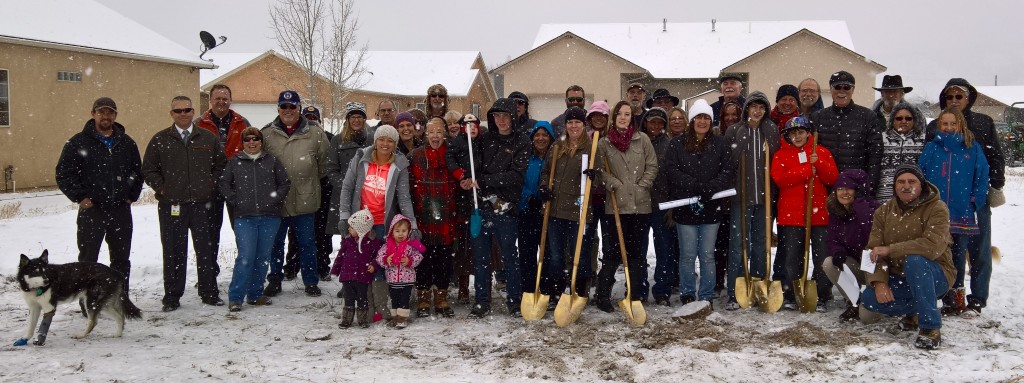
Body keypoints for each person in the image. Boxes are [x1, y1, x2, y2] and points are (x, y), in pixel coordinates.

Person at [925, 78, 1004, 315]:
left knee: (979, 250)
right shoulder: (934, 128)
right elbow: (928, 164)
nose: (954, 101)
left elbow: (993, 157)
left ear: (969, 98)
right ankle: (952, 294)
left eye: (959, 96)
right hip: (945, 200)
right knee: (951, 249)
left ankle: (978, 297)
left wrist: (988, 190)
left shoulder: (983, 122)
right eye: (949, 97)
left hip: (973, 198)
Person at [142, 95, 227, 312]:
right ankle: (172, 296)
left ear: (192, 112)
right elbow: (149, 169)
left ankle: (209, 292)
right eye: (178, 111)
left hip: (203, 205)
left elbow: (220, 165)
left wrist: (210, 184)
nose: (183, 114)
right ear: (171, 114)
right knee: (173, 251)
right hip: (173, 205)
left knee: (206, 251)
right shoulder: (160, 139)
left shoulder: (208, 138)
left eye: (187, 110)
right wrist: (163, 188)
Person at [860, 164, 955, 350]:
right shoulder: (883, 211)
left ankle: (930, 328)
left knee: (915, 261)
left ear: (921, 185)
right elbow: (872, 251)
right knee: (869, 298)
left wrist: (891, 249)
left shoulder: (937, 208)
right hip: (899, 276)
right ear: (895, 186)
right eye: (901, 182)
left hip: (936, 273)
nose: (906, 185)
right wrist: (879, 282)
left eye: (912, 181)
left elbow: (932, 247)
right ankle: (916, 309)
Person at [55, 97, 142, 294]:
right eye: (101, 111)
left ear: (115, 116)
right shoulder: (78, 142)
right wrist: (80, 197)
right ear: (93, 113)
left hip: (120, 210)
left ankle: (119, 298)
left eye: (110, 112)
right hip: (92, 210)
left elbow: (137, 172)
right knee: (88, 260)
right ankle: (88, 300)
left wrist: (131, 196)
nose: (106, 116)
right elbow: (64, 173)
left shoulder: (126, 143)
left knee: (120, 259)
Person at [337, 124, 419, 322]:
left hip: (384, 222)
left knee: (381, 265)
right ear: (375, 141)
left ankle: (380, 307)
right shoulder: (360, 158)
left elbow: (404, 197)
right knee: (361, 264)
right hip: (361, 222)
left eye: (390, 140)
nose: (385, 143)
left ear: (395, 144)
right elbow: (347, 188)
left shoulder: (399, 163)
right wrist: (344, 215)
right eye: (382, 139)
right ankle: (365, 306)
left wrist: (413, 225)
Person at [663, 99, 734, 307]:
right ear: (692, 120)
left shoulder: (720, 144)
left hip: (712, 208)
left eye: (706, 118)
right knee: (687, 254)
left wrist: (711, 187)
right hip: (686, 208)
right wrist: (694, 185)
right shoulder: (677, 144)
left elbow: (727, 171)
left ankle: (706, 294)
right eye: (698, 117)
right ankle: (687, 292)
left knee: (706, 254)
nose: (702, 121)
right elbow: (671, 170)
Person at [919, 106, 989, 316]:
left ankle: (956, 298)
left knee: (958, 256)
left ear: (961, 125)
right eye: (945, 124)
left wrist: (975, 201)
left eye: (953, 123)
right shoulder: (932, 147)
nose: (949, 128)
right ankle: (934, 293)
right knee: (934, 252)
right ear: (939, 125)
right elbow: (921, 174)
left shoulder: (972, 148)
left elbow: (982, 176)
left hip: (962, 211)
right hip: (936, 212)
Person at [260, 90, 330, 298]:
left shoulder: (315, 133)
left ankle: (310, 281)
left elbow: (324, 165)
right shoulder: (267, 135)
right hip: (277, 200)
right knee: (275, 242)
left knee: (307, 242)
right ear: (278, 109)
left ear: (299, 108)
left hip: (305, 198)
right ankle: (274, 279)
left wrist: (307, 180)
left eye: (292, 106)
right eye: (284, 106)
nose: (288, 110)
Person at [465, 98, 530, 318]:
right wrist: (472, 180)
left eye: (505, 116)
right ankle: (482, 301)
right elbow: (473, 167)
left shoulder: (521, 141)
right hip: (481, 206)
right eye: (496, 116)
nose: (501, 121)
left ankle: (515, 300)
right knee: (481, 257)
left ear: (513, 116)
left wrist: (486, 180)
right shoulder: (484, 140)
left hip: (506, 209)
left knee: (510, 256)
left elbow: (517, 176)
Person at [593, 100, 658, 312]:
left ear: (632, 118)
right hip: (616, 207)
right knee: (612, 253)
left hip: (640, 206)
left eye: (627, 114)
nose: (623, 117)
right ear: (613, 117)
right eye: (619, 114)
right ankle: (603, 295)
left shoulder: (643, 140)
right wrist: (616, 185)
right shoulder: (604, 143)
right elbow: (600, 171)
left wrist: (642, 185)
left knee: (637, 254)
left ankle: (635, 293)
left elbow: (652, 165)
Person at [218, 127, 291, 312]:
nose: (252, 142)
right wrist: (235, 200)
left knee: (262, 258)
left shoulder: (271, 161)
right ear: (243, 143)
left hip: (269, 217)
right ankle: (235, 297)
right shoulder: (235, 162)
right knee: (245, 257)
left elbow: (285, 183)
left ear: (261, 141)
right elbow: (224, 183)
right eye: (248, 139)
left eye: (256, 139)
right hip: (245, 218)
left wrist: (275, 199)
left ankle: (255, 294)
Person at [772, 116, 838, 311]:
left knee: (821, 257)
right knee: (792, 257)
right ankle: (792, 293)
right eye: (793, 133)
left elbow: (832, 178)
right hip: (791, 215)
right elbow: (780, 179)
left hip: (818, 214)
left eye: (801, 132)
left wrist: (819, 164)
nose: (797, 136)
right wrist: (806, 170)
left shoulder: (821, 152)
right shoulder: (780, 155)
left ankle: (822, 294)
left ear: (808, 133)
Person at [723, 92, 780, 310]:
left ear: (766, 110)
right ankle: (735, 290)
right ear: (746, 109)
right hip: (741, 197)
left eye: (761, 107)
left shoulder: (771, 130)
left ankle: (758, 285)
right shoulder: (735, 130)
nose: (757, 111)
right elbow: (728, 164)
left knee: (761, 244)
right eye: (753, 107)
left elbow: (775, 161)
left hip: (765, 198)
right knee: (738, 245)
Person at [538, 110, 594, 309]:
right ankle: (557, 292)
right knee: (556, 255)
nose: (573, 126)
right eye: (570, 122)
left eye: (577, 122)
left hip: (579, 210)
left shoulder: (592, 147)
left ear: (584, 125)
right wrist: (544, 186)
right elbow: (545, 172)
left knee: (579, 254)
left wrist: (595, 178)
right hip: (556, 210)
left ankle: (579, 293)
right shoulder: (557, 146)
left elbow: (602, 177)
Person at [408, 117, 459, 318]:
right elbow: (409, 187)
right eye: (431, 132)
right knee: (424, 257)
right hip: (423, 214)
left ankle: (441, 297)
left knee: (444, 258)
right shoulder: (416, 155)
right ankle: (423, 297)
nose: (435, 136)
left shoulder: (452, 154)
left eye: (439, 132)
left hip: (447, 214)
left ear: (444, 133)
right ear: (425, 134)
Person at [195, 84, 252, 258]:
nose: (221, 102)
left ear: (230, 100)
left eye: (225, 98)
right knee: (209, 233)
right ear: (210, 100)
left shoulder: (242, 123)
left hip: (237, 186)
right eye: (218, 98)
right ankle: (209, 274)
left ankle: (244, 271)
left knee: (242, 230)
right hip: (209, 185)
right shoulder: (199, 124)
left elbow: (252, 151)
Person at [807, 70, 883, 192]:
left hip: (855, 186)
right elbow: (809, 150)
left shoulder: (868, 117)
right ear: (831, 89)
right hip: (825, 186)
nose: (841, 91)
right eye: (837, 87)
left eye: (846, 87)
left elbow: (875, 154)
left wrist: (869, 185)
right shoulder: (817, 117)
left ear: (853, 90)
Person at [284, 105, 334, 282]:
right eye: (308, 117)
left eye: (314, 118)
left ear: (319, 121)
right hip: (300, 192)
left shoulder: (328, 138)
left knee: (322, 233)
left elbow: (329, 165)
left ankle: (322, 266)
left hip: (323, 191)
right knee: (296, 233)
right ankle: (291, 266)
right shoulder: (299, 137)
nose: (311, 121)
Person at [821, 169, 880, 320]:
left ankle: (876, 301)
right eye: (840, 189)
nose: (844, 192)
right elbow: (833, 239)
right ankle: (854, 301)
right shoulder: (836, 212)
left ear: (858, 191)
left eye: (849, 188)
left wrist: (860, 204)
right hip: (856, 265)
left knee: (869, 318)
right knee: (829, 263)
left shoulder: (873, 208)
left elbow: (871, 234)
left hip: (876, 266)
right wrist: (838, 251)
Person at [643, 107, 680, 306]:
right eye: (652, 122)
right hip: (639, 204)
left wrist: (673, 207)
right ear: (646, 123)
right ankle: (637, 288)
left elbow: (675, 177)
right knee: (638, 250)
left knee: (665, 249)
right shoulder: (638, 142)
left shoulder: (671, 145)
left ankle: (662, 290)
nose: (656, 126)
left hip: (663, 205)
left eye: (660, 122)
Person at [327, 102, 375, 247]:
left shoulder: (373, 139)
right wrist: (347, 185)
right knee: (348, 237)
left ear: (364, 119)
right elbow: (331, 170)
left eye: (359, 116)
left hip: (370, 195)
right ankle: (348, 268)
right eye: (352, 116)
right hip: (346, 195)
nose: (356, 120)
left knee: (371, 237)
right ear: (347, 119)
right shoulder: (337, 140)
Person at [446, 113, 483, 304]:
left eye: (475, 125)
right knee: (463, 246)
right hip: (461, 198)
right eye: (468, 126)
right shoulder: (457, 144)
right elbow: (450, 159)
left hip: (479, 196)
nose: (472, 129)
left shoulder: (483, 143)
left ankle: (481, 287)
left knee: (480, 246)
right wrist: (460, 176)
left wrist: (481, 179)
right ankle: (462, 287)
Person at [517, 120, 554, 304]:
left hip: (548, 212)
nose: (540, 138)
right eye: (537, 135)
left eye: (545, 135)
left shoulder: (554, 158)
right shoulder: (525, 158)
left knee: (548, 254)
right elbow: (518, 182)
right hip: (527, 211)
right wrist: (529, 197)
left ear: (551, 138)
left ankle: (546, 290)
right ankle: (528, 290)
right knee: (527, 254)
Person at [330, 208, 384, 328]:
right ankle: (346, 320)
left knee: (362, 299)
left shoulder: (372, 242)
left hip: (363, 277)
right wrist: (335, 270)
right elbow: (340, 256)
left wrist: (374, 265)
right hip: (347, 275)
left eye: (352, 227)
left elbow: (380, 254)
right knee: (348, 299)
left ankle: (363, 320)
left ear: (362, 229)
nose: (349, 229)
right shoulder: (348, 241)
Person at [375, 214, 425, 329]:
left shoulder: (410, 245)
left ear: (408, 231)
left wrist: (410, 260)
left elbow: (419, 256)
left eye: (404, 231)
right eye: (397, 231)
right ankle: (395, 317)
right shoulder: (387, 246)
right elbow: (379, 258)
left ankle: (402, 318)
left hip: (407, 279)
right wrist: (386, 259)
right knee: (394, 298)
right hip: (392, 280)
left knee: (404, 298)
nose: (401, 234)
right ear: (392, 232)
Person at [877, 102, 927, 203]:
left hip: (913, 198)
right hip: (884, 197)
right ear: (892, 120)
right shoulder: (880, 139)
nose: (904, 121)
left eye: (908, 118)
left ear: (914, 120)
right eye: (899, 118)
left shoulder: (923, 140)